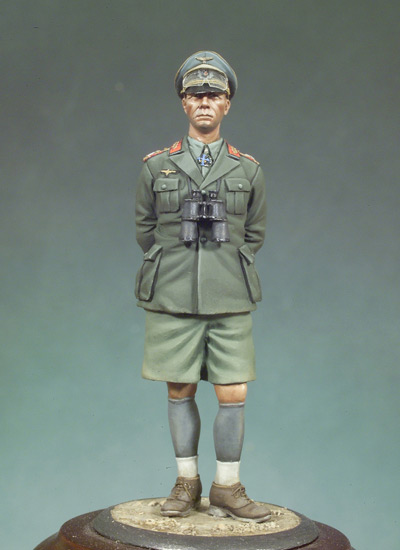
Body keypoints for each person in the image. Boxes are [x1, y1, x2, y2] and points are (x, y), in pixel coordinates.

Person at [135, 51, 270, 523]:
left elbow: (254, 234)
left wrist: (222, 266)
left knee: (233, 391)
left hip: (229, 295)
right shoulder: (157, 166)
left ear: (227, 104)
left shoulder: (247, 170)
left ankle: (228, 487)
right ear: (184, 103)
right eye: (196, 95)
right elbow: (145, 230)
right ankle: (186, 482)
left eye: (214, 95)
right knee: (179, 388)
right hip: (173, 296)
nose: (205, 103)